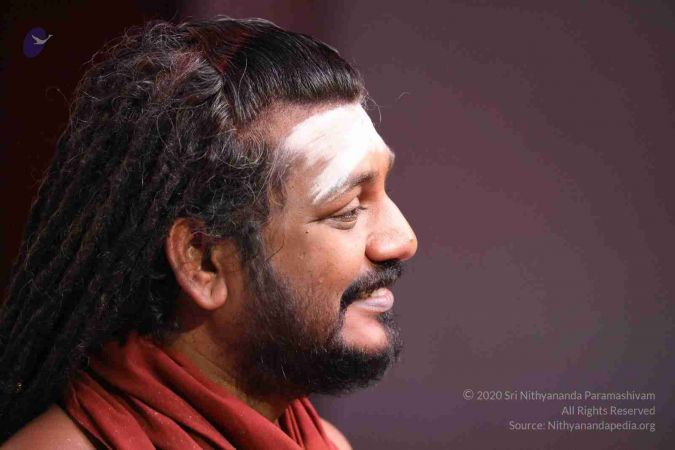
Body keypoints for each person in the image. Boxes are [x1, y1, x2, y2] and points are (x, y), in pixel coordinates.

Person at [0, 16, 417, 449]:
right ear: (202, 260)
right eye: (347, 210)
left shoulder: (324, 442)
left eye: (384, 190)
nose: (403, 239)